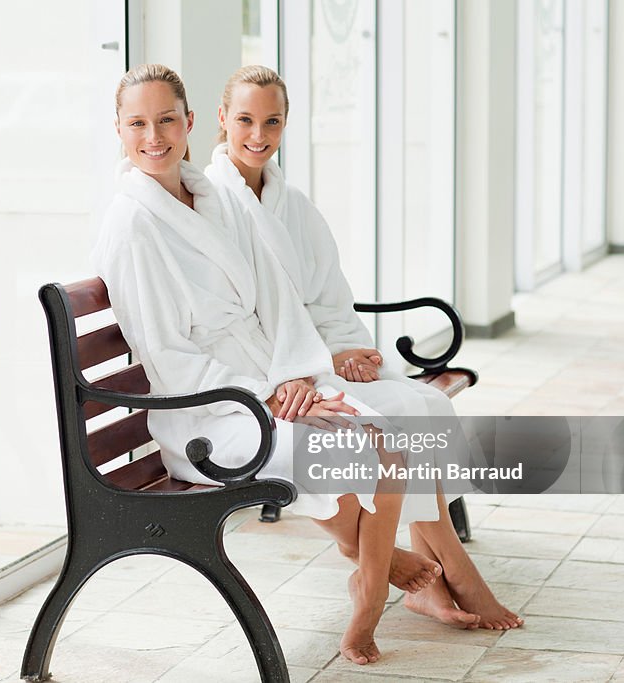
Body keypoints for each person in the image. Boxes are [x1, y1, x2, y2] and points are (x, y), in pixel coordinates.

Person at [93, 64, 510, 667]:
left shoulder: (208, 200)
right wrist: (267, 394)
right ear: (119, 129)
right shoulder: (133, 224)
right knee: (369, 444)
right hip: (208, 416)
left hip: (264, 385)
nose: (153, 136)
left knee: (384, 440)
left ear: (187, 123)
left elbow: (276, 301)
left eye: (164, 120)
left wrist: (300, 377)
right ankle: (376, 580)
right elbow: (167, 357)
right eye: (137, 123)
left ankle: (371, 585)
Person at [204, 63, 523, 643]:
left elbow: (327, 294)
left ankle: (437, 577)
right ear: (222, 118)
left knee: (424, 407)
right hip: (279, 371)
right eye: (245, 119)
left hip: (316, 357)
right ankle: (444, 572)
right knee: (393, 423)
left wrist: (349, 347)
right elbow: (236, 319)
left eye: (272, 121)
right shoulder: (212, 206)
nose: (258, 134)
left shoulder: (291, 203)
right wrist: (300, 370)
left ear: (286, 124)